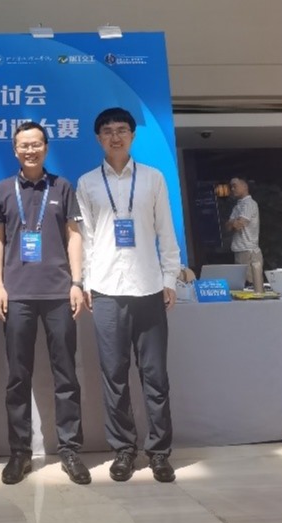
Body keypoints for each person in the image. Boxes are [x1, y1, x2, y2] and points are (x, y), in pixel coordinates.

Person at [76, 107, 180, 483]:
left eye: (122, 130)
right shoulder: (87, 183)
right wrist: (86, 282)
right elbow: (86, 239)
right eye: (107, 131)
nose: (115, 136)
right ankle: (123, 450)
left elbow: (165, 230)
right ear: (98, 139)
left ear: (133, 136)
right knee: (114, 376)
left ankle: (159, 452)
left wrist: (170, 277)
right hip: (105, 290)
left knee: (155, 377)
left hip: (149, 287)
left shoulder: (153, 178)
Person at [0, 121, 90, 486]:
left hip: (59, 293)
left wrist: (76, 282)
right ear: (15, 150)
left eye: (36, 144)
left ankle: (70, 450)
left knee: (66, 375)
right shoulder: (3, 189)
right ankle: (19, 453)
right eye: (23, 145)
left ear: (46, 147)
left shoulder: (62, 186)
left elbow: (74, 235)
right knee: (18, 377)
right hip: (17, 295)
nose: (30, 150)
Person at [226, 177, 263, 292]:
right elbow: (227, 226)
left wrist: (234, 222)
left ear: (245, 186)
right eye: (231, 187)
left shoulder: (249, 204)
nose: (232, 189)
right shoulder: (237, 206)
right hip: (239, 249)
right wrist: (234, 222)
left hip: (249, 250)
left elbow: (238, 225)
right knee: (241, 286)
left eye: (235, 186)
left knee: (252, 285)